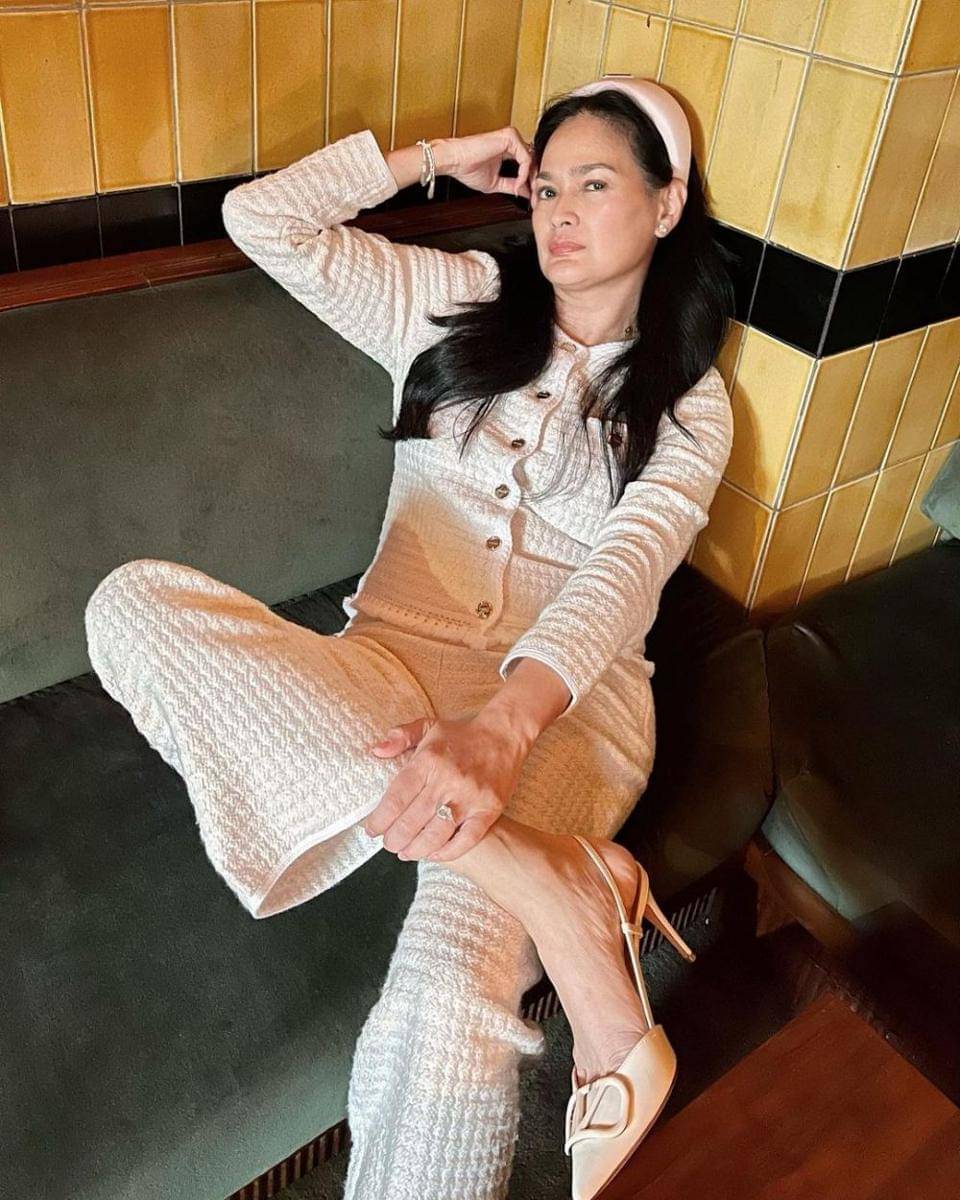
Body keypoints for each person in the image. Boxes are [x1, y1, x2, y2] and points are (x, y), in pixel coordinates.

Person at [83, 74, 734, 1200]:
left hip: (568, 717)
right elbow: (261, 220)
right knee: (128, 606)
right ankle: (558, 886)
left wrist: (501, 731)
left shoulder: (691, 403)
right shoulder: (459, 299)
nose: (560, 213)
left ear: (667, 204)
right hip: (384, 668)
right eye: (547, 187)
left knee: (445, 997)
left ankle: (539, 868)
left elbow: (626, 575)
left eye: (595, 185)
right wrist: (433, 158)